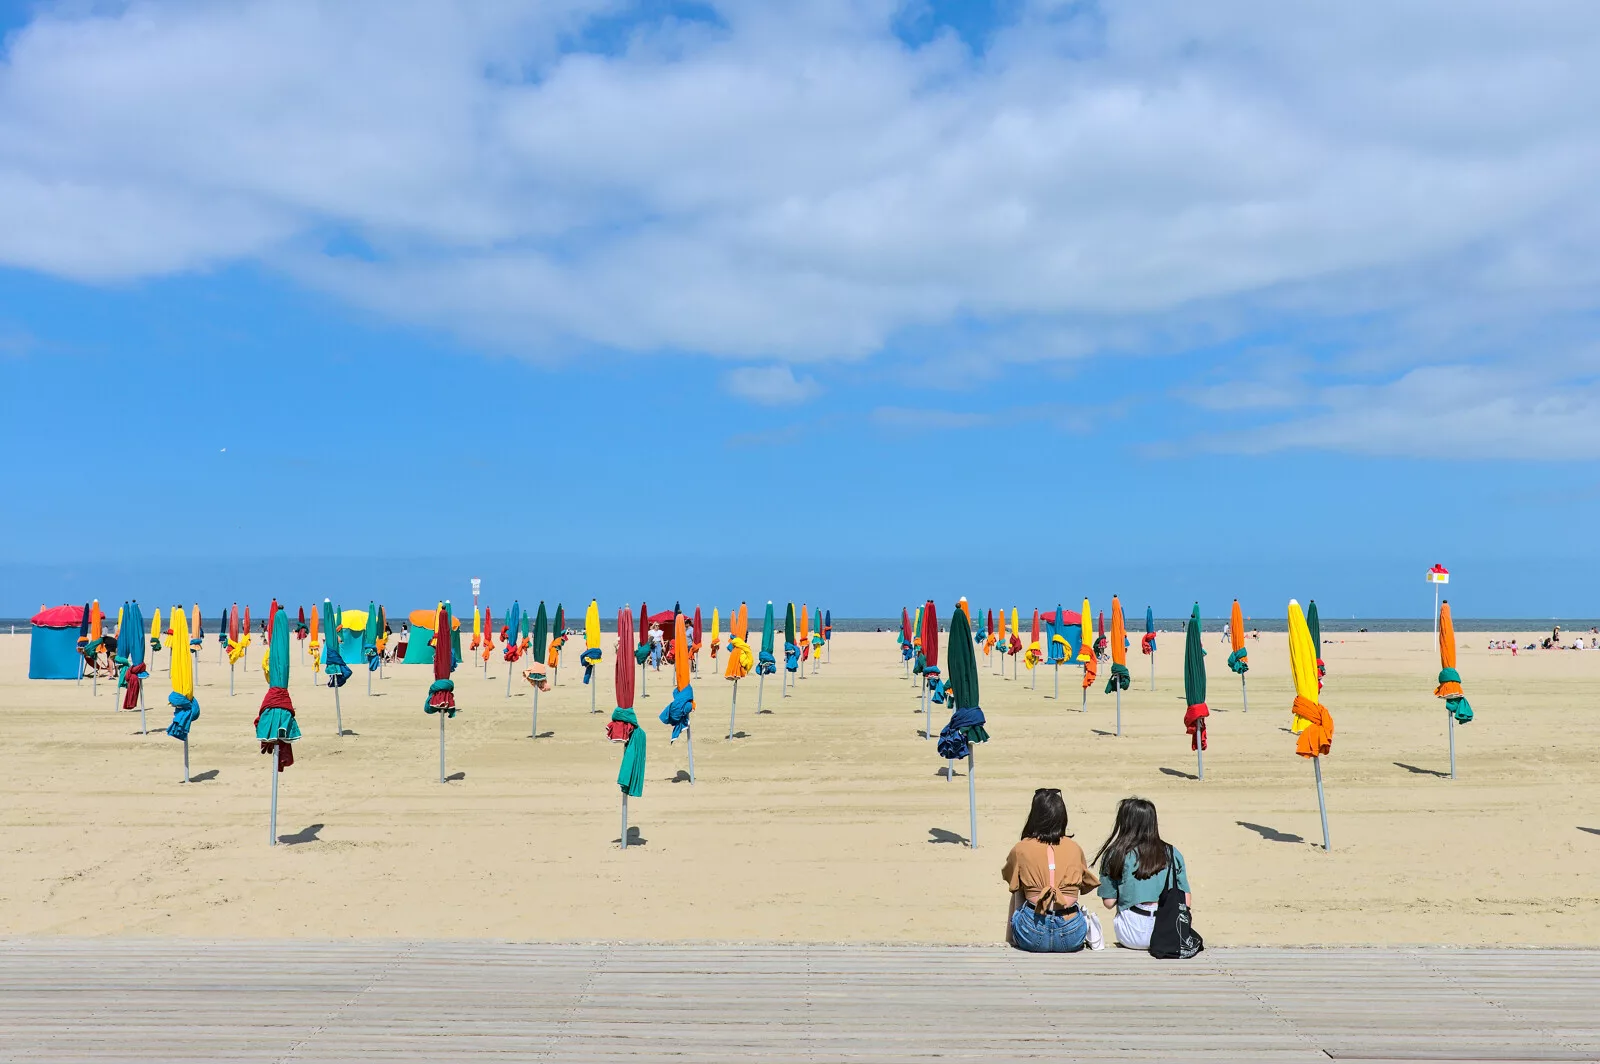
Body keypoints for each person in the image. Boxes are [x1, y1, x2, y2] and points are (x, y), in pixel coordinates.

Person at [1000, 788, 1101, 952]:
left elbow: (1013, 885)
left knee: (1017, 887)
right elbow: (1082, 886)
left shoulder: (1021, 848)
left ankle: (1010, 939)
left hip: (1031, 932)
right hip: (1071, 934)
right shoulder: (1075, 849)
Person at [1094, 797, 1192, 950]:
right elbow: (1186, 902)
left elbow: (1109, 902)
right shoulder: (1173, 853)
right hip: (1168, 932)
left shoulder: (1115, 854)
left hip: (1131, 934)